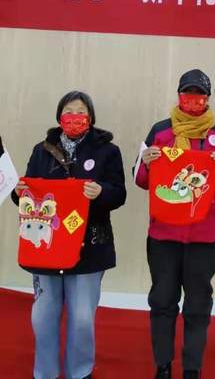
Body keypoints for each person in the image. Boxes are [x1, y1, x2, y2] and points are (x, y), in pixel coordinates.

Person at [135, 69, 215, 379]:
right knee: (162, 300)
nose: (193, 100)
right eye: (188, 94)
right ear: (179, 96)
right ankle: (163, 365)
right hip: (164, 234)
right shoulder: (160, 131)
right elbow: (140, 180)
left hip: (204, 235)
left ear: (207, 98)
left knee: (198, 304)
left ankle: (192, 368)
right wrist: (146, 164)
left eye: (199, 95)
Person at [12, 90, 126, 379]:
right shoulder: (42, 150)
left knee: (82, 318)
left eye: (80, 112)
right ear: (59, 116)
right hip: (46, 247)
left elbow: (119, 193)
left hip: (90, 246)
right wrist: (19, 192)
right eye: (69, 111)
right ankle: (45, 372)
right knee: (43, 316)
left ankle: (81, 372)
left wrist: (101, 192)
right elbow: (28, 194)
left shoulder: (108, 151)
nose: (74, 117)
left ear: (91, 117)